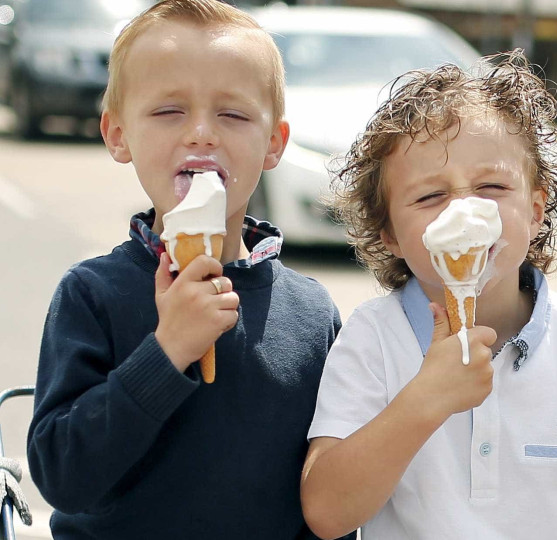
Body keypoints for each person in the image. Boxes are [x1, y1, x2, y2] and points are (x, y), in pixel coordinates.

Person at [298, 51, 557, 540]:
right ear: (389, 234)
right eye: (430, 197)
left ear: (536, 211)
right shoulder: (373, 338)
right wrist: (423, 401)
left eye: (491, 186)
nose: (464, 211)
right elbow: (327, 513)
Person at [26, 1, 348, 538]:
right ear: (117, 135)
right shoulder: (92, 295)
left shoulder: (313, 315)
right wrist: (167, 350)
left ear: (274, 142)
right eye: (168, 111)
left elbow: (326, 494)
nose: (202, 133)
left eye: (234, 115)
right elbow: (63, 475)